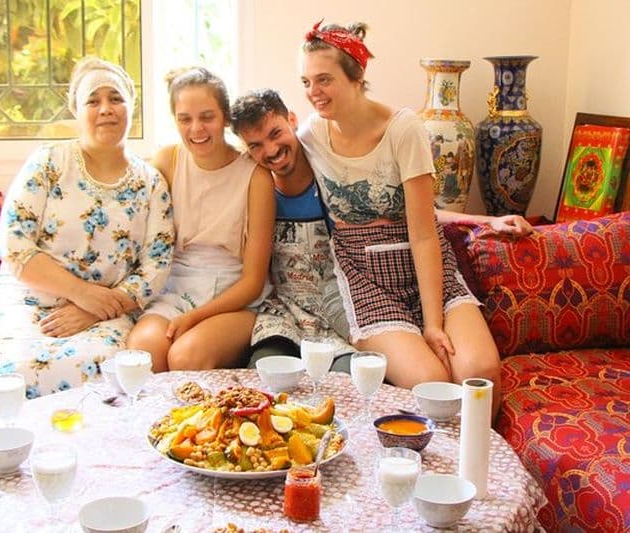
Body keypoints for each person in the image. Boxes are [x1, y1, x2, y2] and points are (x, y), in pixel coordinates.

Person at [230, 88, 532, 379]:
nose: (270, 151)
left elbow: (411, 214)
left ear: (291, 120)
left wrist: (486, 220)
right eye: (255, 145)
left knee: (351, 380)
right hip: (288, 312)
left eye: (275, 133)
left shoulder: (325, 169)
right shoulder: (258, 190)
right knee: (262, 373)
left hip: (339, 306)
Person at [299, 21, 505, 419]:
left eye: (323, 79)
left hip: (425, 265)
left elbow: (424, 231)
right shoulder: (311, 135)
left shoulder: (403, 128)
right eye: (306, 81)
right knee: (432, 382)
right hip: (365, 275)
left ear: (357, 77)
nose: (313, 93)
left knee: (479, 373)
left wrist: (434, 325)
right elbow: (271, 157)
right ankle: (439, 472)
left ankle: (485, 474)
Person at [0, 57, 175, 427]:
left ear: (132, 106)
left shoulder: (151, 182)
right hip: (29, 300)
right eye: (93, 101)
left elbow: (154, 268)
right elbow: (14, 247)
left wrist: (96, 306)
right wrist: (81, 293)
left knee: (112, 369)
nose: (106, 109)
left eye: (116, 98)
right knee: (12, 370)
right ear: (76, 110)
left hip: (108, 310)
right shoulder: (48, 163)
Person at [126, 67, 275, 372]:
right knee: (143, 353)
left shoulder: (256, 176)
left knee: (185, 357)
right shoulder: (168, 160)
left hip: (234, 297)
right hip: (175, 287)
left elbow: (253, 281)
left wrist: (194, 318)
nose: (196, 129)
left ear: (225, 118)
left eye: (207, 117)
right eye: (185, 119)